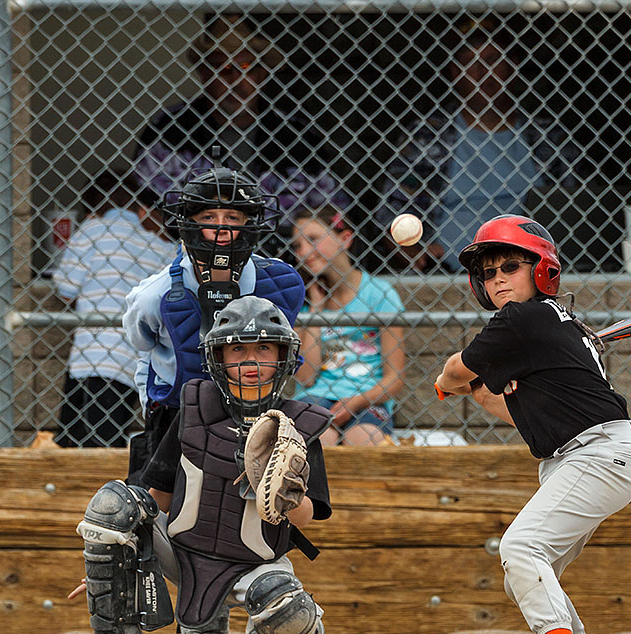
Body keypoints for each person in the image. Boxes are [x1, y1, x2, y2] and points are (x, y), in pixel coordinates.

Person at [65, 296, 334, 634]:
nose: (251, 360)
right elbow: (157, 497)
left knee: (285, 612)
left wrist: (286, 490)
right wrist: (111, 560)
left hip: (255, 559)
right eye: (237, 349)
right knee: (114, 504)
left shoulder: (298, 425)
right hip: (183, 547)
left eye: (263, 348)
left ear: (283, 356)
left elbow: (306, 519)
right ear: (217, 359)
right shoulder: (193, 409)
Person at [434, 215, 631, 634]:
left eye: (510, 266)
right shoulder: (556, 327)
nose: (498, 279)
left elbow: (451, 369)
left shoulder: (523, 318)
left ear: (541, 269)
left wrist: (449, 382)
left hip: (595, 454)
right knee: (529, 572)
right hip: (584, 457)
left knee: (520, 549)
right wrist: (477, 389)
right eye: (488, 274)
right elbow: (520, 412)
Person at [122, 165, 304, 485]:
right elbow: (143, 344)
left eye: (232, 218)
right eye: (208, 218)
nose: (221, 228)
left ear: (249, 225)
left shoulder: (280, 284)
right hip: (177, 419)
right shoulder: (155, 296)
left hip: (257, 414)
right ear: (190, 224)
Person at [374, 18, 584, 272]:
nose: (482, 72)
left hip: (532, 272)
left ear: (513, 66)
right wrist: (414, 252)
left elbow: (581, 210)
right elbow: (390, 213)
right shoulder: (427, 136)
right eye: (468, 63)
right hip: (450, 272)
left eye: (493, 60)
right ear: (454, 73)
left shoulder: (547, 138)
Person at [133, 12, 349, 255]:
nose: (236, 79)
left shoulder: (297, 135)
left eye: (246, 66)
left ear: (262, 74)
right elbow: (145, 208)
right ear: (204, 75)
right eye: (223, 68)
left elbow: (331, 209)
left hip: (283, 260)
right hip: (193, 257)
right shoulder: (170, 131)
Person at [53, 170, 176, 448]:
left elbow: (66, 288)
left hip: (91, 355)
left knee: (76, 439)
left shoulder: (91, 231)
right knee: (110, 432)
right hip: (133, 355)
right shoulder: (156, 245)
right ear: (140, 208)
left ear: (91, 209)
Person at [291, 205, 405, 445]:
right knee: (319, 441)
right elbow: (306, 376)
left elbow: (394, 379)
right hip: (316, 396)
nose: (304, 252)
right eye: (298, 245)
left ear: (345, 239)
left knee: (364, 439)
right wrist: (316, 310)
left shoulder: (379, 294)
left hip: (367, 397)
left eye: (313, 240)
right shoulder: (302, 302)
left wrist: (356, 402)